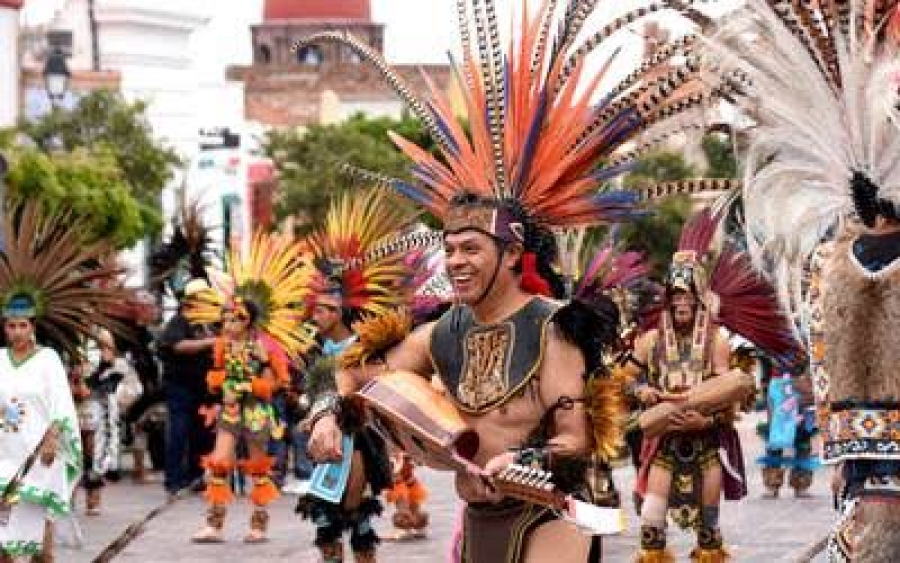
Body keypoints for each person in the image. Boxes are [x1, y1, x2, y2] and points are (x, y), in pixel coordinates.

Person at [706, 2, 900, 560]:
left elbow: (827, 367)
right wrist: (841, 455)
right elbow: (829, 365)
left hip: (862, 471)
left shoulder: (829, 262)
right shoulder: (832, 263)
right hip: (865, 471)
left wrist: (840, 455)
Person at [627, 206, 797, 562]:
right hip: (664, 442)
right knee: (651, 522)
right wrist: (642, 391)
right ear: (667, 300)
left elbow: (728, 393)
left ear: (699, 298)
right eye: (676, 297)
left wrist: (706, 419)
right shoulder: (650, 341)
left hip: (705, 441)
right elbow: (621, 382)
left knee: (709, 529)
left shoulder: (716, 341)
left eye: (688, 296)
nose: (681, 303)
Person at [297, 188, 431, 563]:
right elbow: (307, 391)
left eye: (323, 309)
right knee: (325, 516)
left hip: (361, 438)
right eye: (314, 309)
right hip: (324, 437)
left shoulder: (363, 347)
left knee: (357, 514)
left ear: (340, 310)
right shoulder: (312, 349)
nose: (315, 316)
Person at [0, 201, 130, 562]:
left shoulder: (48, 360)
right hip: (4, 452)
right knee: (4, 531)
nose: (16, 332)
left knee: (38, 526)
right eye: (11, 326)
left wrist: (51, 441)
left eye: (22, 325)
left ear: (33, 327)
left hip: (38, 452)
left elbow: (60, 405)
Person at [185, 233, 312, 544]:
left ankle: (258, 524)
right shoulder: (222, 346)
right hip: (229, 412)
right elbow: (215, 376)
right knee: (219, 462)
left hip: (256, 413)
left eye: (235, 319)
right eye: (226, 318)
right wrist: (220, 384)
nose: (228, 324)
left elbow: (275, 384)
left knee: (257, 467)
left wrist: (246, 383)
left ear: (249, 322)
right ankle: (214, 524)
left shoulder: (264, 347)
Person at [157, 279, 217, 497]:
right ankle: (174, 480)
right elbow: (177, 345)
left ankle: (196, 477)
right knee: (179, 433)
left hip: (203, 389)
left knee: (201, 434)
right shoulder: (179, 321)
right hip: (180, 387)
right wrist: (209, 343)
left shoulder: (209, 323)